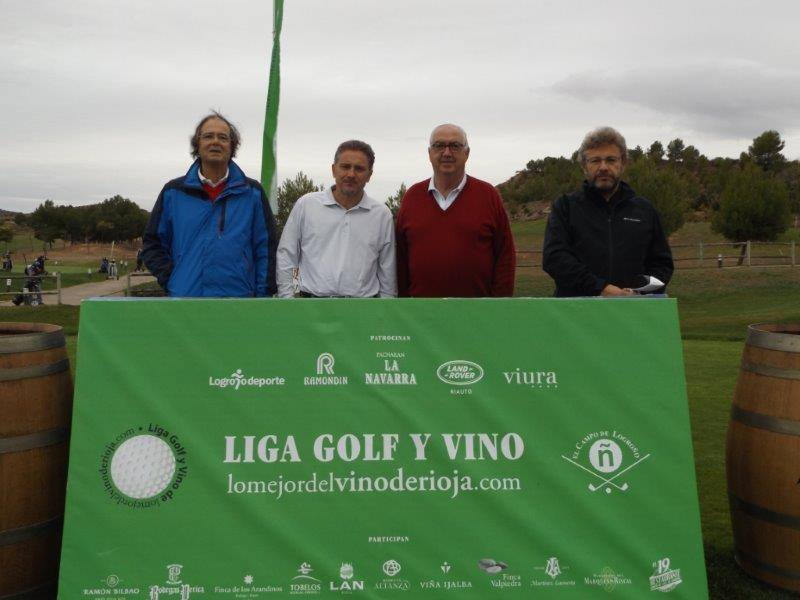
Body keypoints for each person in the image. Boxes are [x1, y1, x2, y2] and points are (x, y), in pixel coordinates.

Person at [142, 111, 277, 297]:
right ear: (197, 144)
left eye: (223, 137)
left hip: (240, 302)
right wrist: (173, 279)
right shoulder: (173, 192)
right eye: (208, 136)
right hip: (186, 301)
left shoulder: (252, 193)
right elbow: (152, 244)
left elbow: (266, 249)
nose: (215, 141)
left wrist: (263, 295)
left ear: (232, 145)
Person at [542, 126, 674, 297]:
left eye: (611, 160)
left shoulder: (644, 210)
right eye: (595, 161)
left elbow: (662, 264)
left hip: (633, 313)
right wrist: (599, 288)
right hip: (575, 315)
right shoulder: (565, 207)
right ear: (584, 166)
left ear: (623, 163)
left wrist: (639, 292)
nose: (603, 167)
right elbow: (555, 259)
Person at [395, 123, 515, 297]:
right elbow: (401, 259)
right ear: (429, 153)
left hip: (478, 313)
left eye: (455, 146)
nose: (447, 153)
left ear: (467, 153)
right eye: (439, 146)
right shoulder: (412, 197)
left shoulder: (488, 195)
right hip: (420, 314)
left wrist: (498, 307)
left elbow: (505, 257)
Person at [277, 140, 396, 298]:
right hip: (310, 306)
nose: (351, 174)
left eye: (359, 169)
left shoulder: (381, 215)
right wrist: (293, 295)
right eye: (345, 167)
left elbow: (386, 271)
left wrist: (385, 309)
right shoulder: (307, 205)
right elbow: (291, 256)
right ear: (333, 170)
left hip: (363, 311)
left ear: (369, 175)